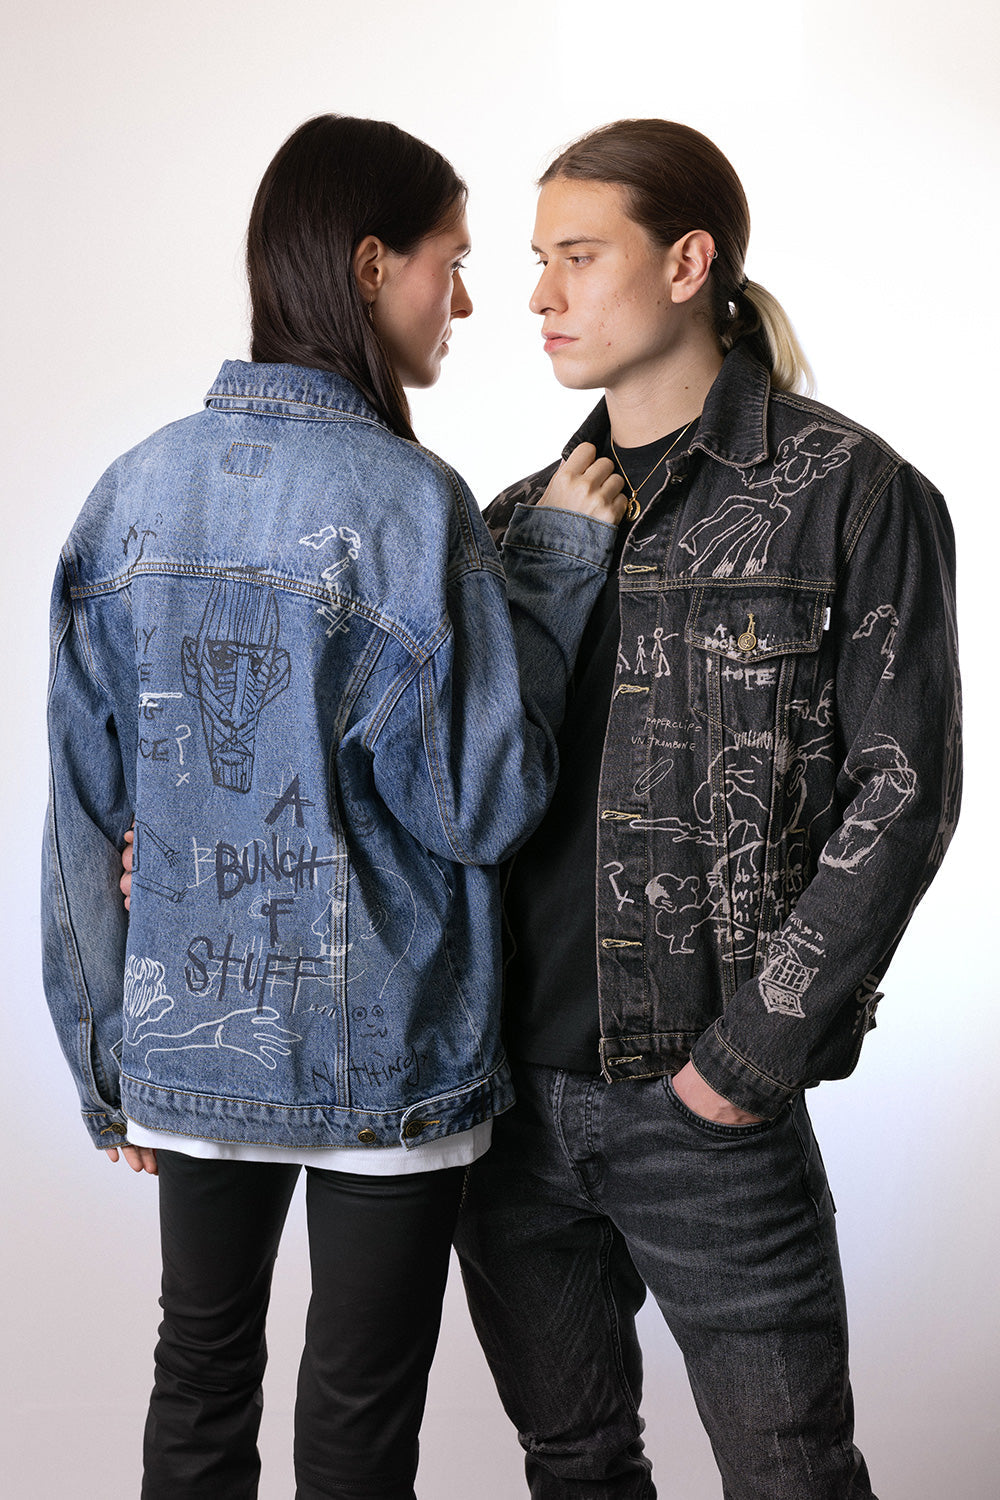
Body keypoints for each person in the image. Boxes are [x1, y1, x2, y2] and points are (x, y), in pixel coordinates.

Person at [40, 114, 627, 1500]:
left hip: (187, 1030)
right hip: (389, 1059)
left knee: (198, 1377)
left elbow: (80, 815)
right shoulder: (414, 508)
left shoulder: (129, 494)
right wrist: (551, 576)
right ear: (372, 266)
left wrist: (108, 1059)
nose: (466, 302)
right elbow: (483, 804)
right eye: (451, 263)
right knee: (359, 1420)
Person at [454, 119, 961, 1500]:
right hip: (508, 1110)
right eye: (535, 260)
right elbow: (447, 790)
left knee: (790, 1473)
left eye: (578, 255)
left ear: (688, 264)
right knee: (574, 1463)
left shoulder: (850, 495)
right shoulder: (514, 521)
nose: (539, 295)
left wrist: (749, 1058)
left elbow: (903, 791)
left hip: (705, 1104)